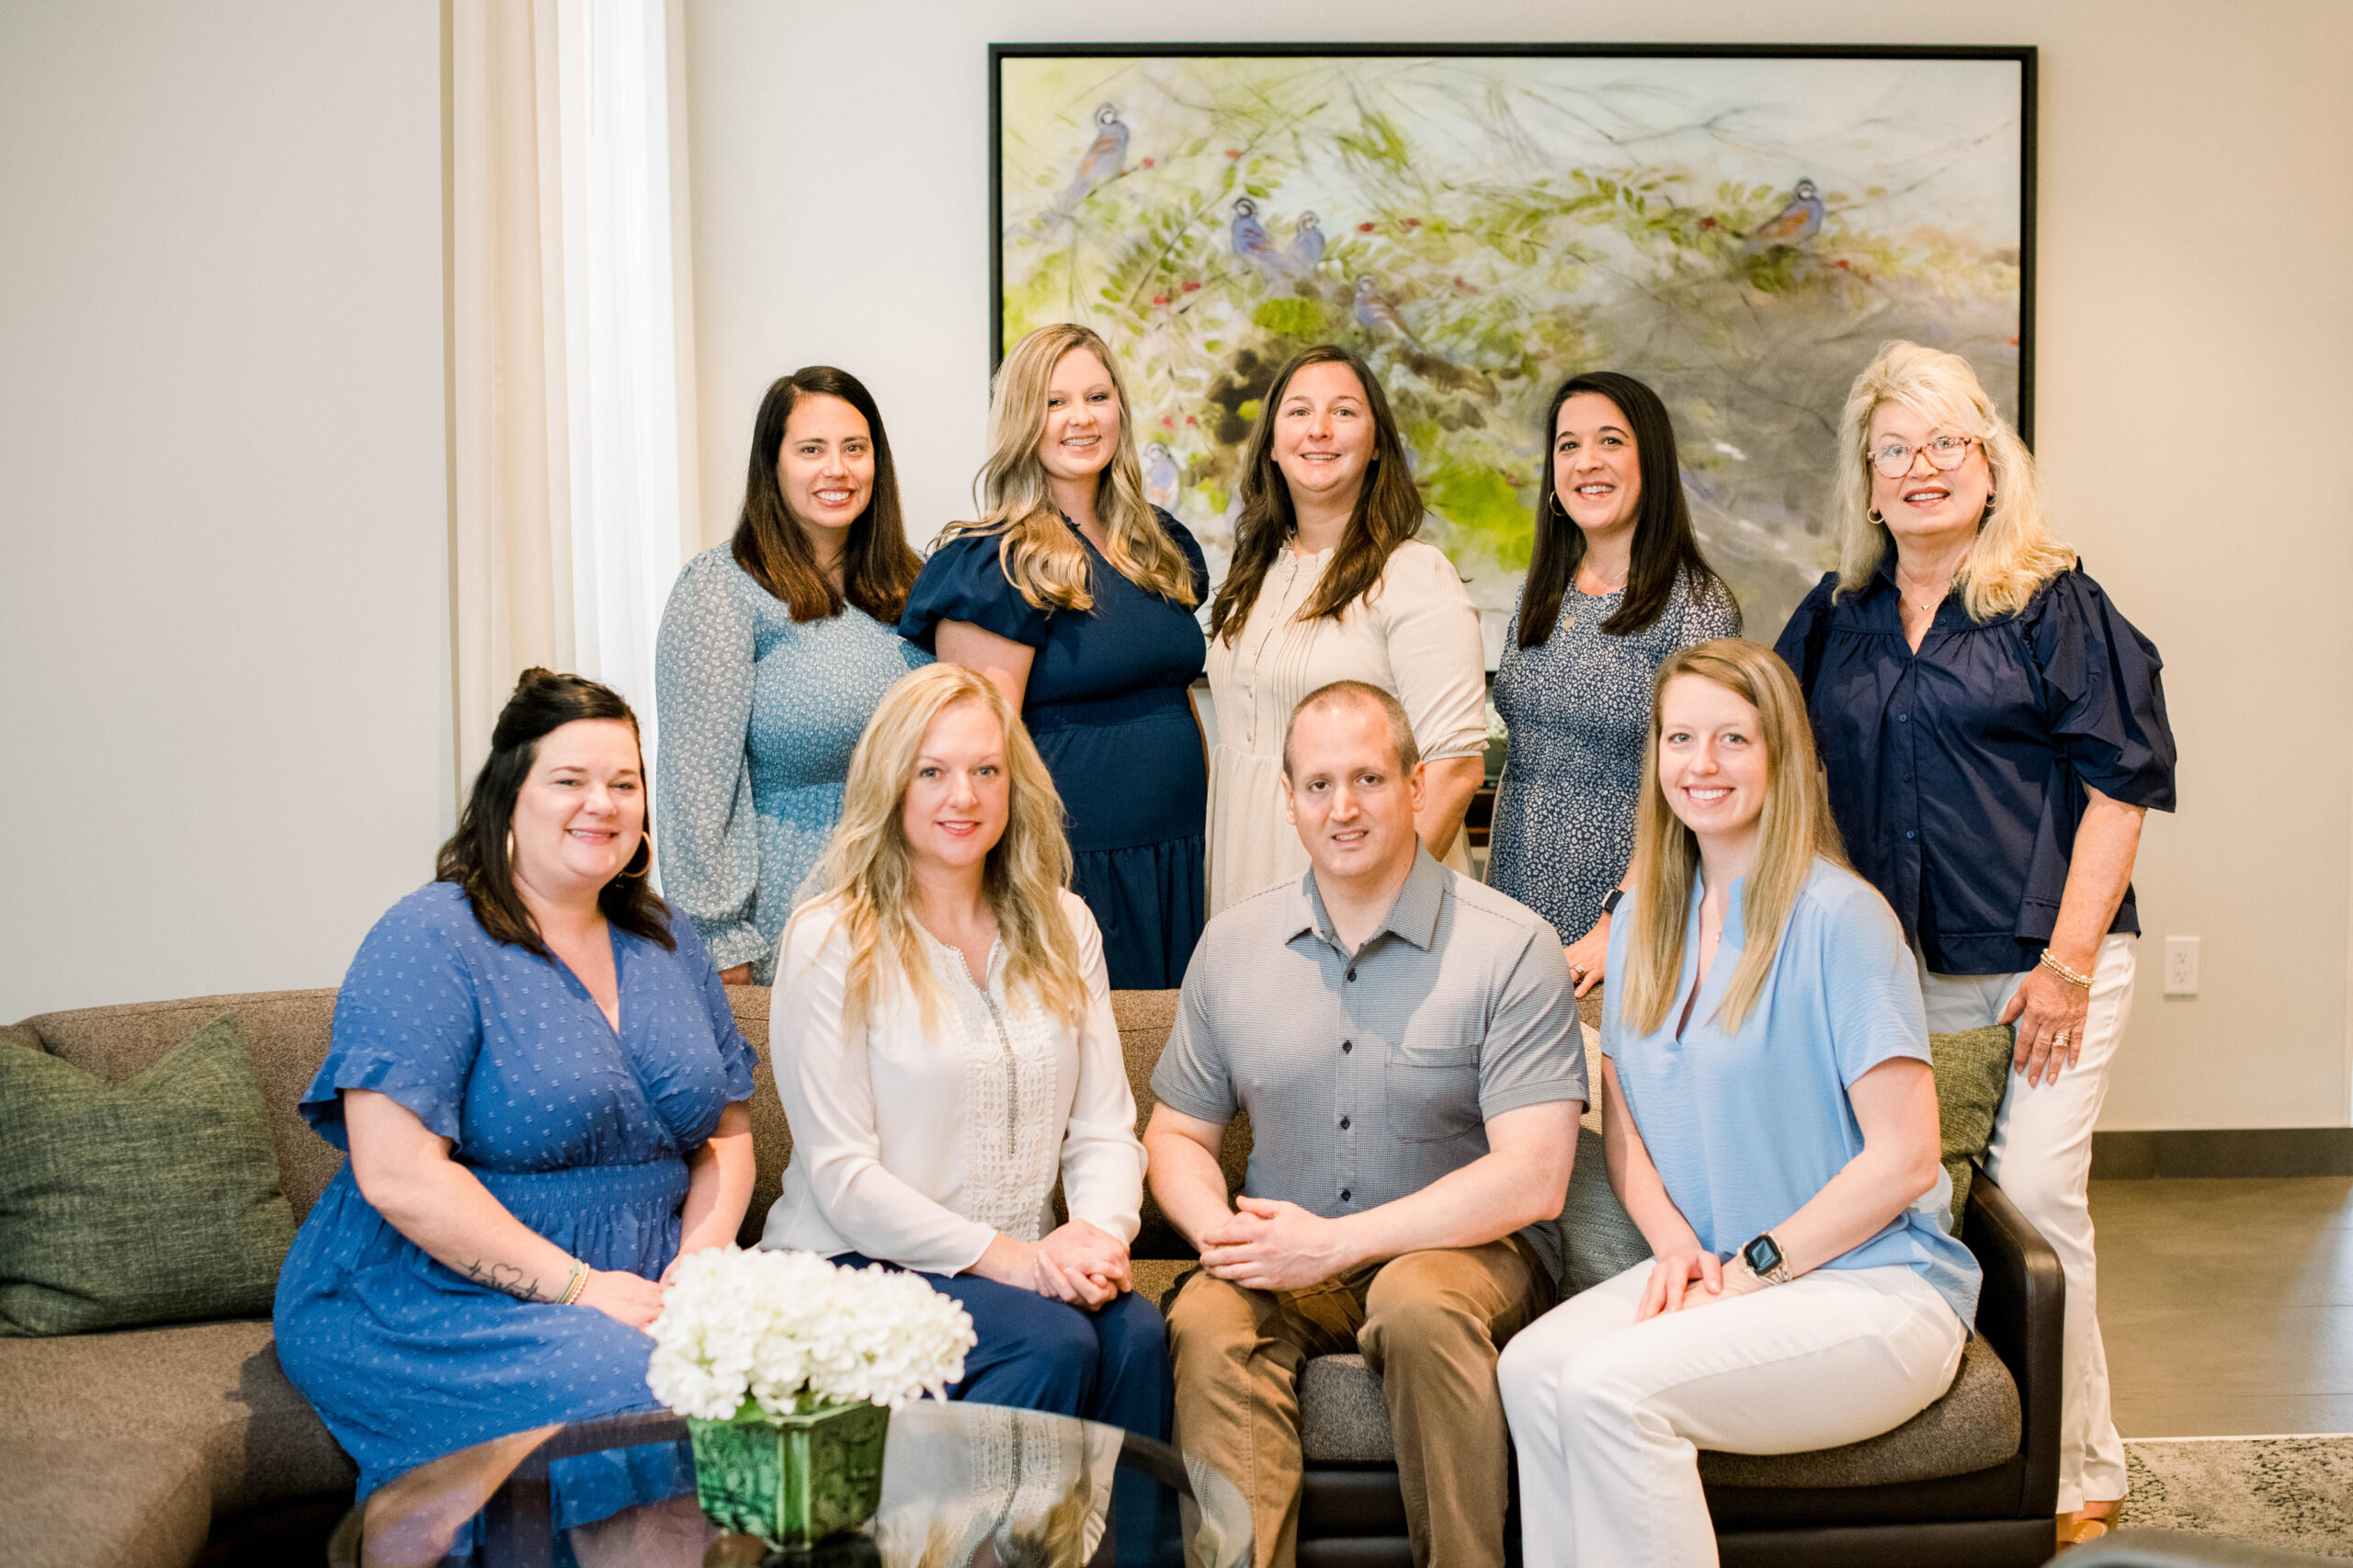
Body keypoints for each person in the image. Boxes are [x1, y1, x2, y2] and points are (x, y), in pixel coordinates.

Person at [1774, 341, 2176, 1547]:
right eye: (1896, 447)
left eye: (1947, 441)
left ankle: (2079, 1468)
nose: (1923, 467)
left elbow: (2121, 786)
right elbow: (1777, 768)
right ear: (1870, 478)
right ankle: (1950, 1451)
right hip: (1904, 975)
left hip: (2049, 958)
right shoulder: (1834, 616)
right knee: (1931, 1206)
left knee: (2042, 1198)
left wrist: (2062, 965)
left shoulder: (2054, 603)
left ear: (1991, 460)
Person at [1497, 640, 1979, 1568]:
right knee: (1530, 1369)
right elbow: (1626, 1120)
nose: (1702, 764)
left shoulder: (1841, 917)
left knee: (1608, 1389)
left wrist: (1758, 1261)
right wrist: (1678, 1247)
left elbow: (1906, 1157)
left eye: (1731, 739)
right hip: (1723, 1277)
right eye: (1681, 737)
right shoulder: (1642, 919)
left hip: (1874, 1289)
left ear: (1781, 755)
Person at [274, 669, 757, 1548]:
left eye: (624, 782)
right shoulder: (431, 936)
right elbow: (397, 1177)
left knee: (784, 1379)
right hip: (434, 1292)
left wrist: (705, 1262)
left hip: (650, 1280)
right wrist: (581, 1289)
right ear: (510, 794)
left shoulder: (670, 935)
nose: (601, 805)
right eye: (569, 780)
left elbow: (725, 1132)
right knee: (656, 1391)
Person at [1144, 679, 1586, 1568]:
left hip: (1468, 1255)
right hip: (1283, 1246)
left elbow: (1534, 1178)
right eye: (1318, 785)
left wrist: (1336, 1245)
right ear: (1289, 801)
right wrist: (1222, 1234)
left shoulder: (1511, 946)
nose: (1342, 809)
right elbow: (1176, 1136)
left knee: (1417, 1304)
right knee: (1208, 1321)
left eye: (1368, 780)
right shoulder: (1231, 948)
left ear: (1416, 786)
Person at [762, 662, 1169, 1452]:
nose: (965, 797)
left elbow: (1105, 1129)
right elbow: (844, 1179)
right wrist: (1016, 1262)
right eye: (933, 772)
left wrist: (1097, 1237)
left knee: (1138, 1335)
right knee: (1051, 1343)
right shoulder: (831, 938)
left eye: (987, 770)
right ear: (892, 785)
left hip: (1033, 1262)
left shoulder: (1064, 924)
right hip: (858, 1265)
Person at [900, 324, 1209, 989]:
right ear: (1021, 419)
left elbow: (1177, 697)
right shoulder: (994, 562)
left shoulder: (1157, 543)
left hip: (1181, 853)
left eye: (1097, 396)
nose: (1081, 418)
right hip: (1072, 864)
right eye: (1054, 402)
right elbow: (980, 745)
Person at [655, 366, 930, 984]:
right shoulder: (722, 591)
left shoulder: (919, 587)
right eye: (811, 450)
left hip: (916, 913)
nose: (836, 469)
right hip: (793, 925)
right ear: (772, 464)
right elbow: (695, 797)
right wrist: (723, 949)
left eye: (854, 449)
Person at [1203, 345, 1488, 916]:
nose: (1320, 430)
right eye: (1299, 411)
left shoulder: (1413, 574)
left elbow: (1456, 769)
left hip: (1372, 888)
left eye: (1345, 412)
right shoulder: (1255, 574)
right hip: (1250, 868)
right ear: (1273, 445)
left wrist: (1375, 912)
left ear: (1378, 443)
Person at [1484, 370, 1740, 996]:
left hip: (1631, 928)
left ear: (1650, 462)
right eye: (1568, 445)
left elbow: (1700, 792)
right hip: (1514, 914)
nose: (1586, 462)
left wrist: (1616, 921)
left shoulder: (1698, 608)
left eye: (1610, 442)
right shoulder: (1541, 593)